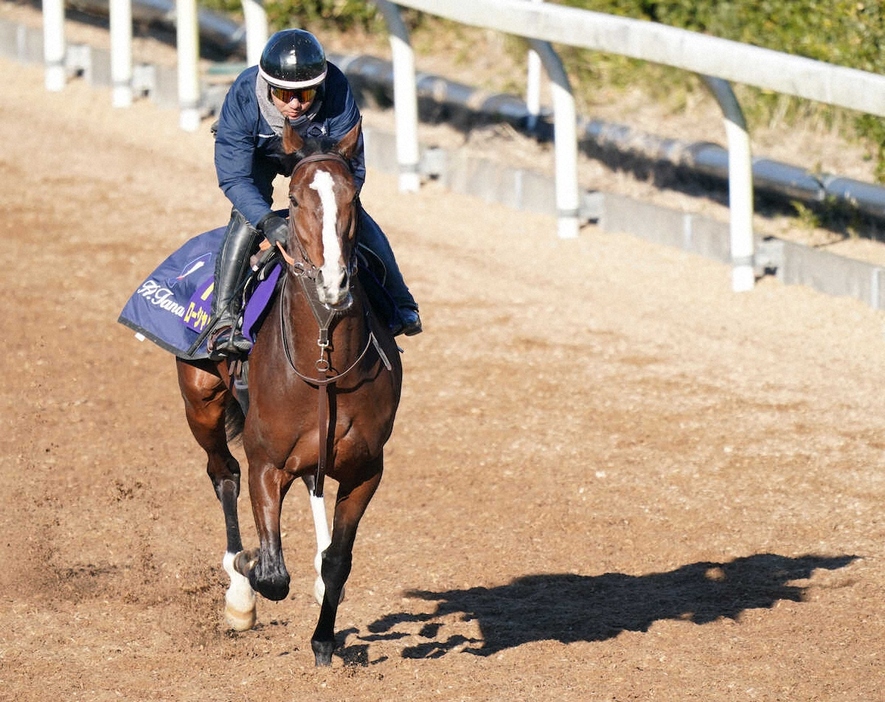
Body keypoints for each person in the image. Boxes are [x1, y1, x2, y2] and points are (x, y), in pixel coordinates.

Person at [207, 28, 422, 359]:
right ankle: (223, 319)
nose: (294, 104)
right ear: (267, 87)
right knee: (246, 219)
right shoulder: (244, 96)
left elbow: (353, 168)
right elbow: (235, 177)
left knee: (355, 214)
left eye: (305, 95)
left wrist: (337, 204)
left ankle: (401, 302)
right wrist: (266, 221)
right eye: (283, 94)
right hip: (259, 157)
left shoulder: (335, 87)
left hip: (320, 159)